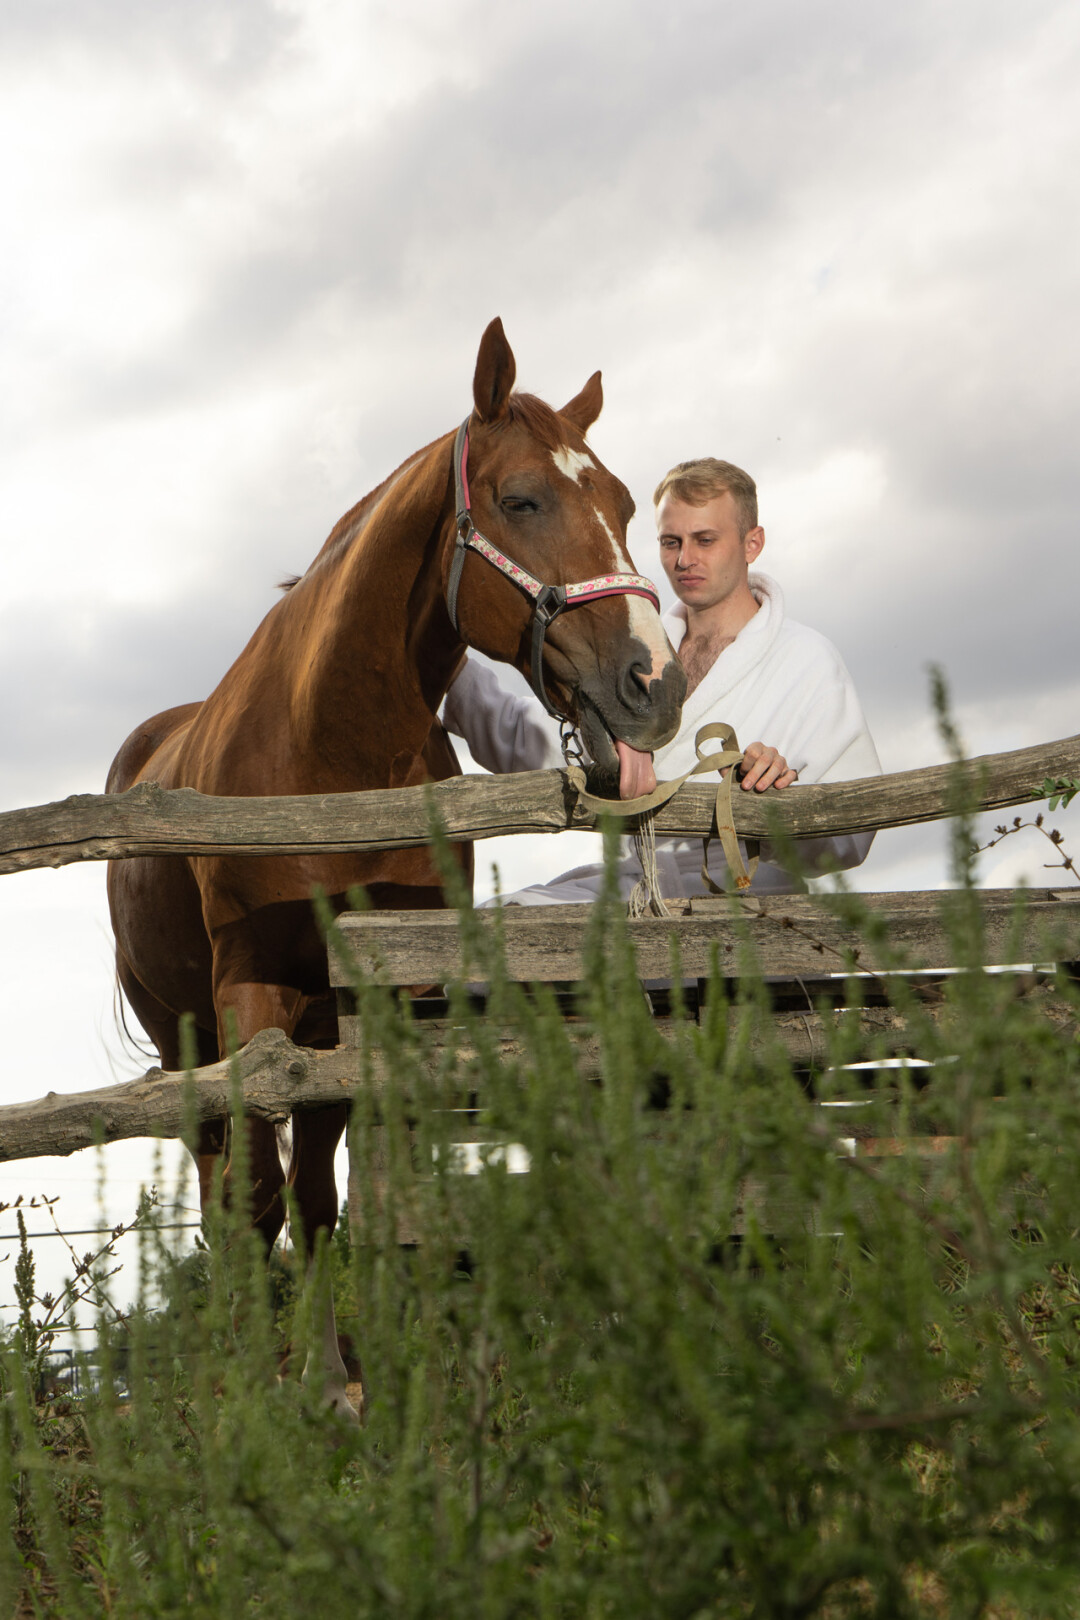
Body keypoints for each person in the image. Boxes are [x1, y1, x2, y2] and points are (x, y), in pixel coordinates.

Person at [441, 456, 881, 903]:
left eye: (705, 540)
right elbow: (539, 742)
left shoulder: (807, 661)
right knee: (500, 924)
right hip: (638, 888)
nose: (685, 559)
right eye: (671, 542)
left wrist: (776, 799)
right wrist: (443, 669)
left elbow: (852, 835)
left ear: (753, 543)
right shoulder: (641, 654)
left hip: (750, 903)